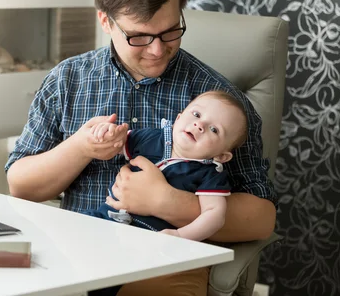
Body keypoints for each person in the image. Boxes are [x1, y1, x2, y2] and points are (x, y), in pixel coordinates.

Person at [5, 0, 276, 295]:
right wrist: (81, 147)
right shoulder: (67, 81)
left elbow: (262, 218)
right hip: (76, 252)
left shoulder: (219, 105)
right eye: (139, 36)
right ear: (106, 21)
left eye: (169, 32)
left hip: (165, 260)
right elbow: (20, 186)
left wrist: (167, 203)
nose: (157, 50)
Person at [85, 90, 248, 242]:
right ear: (178, 119)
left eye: (214, 129)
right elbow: (115, 142)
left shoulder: (209, 174)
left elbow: (214, 216)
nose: (200, 125)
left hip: (148, 239)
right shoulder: (153, 138)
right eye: (196, 114)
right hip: (104, 218)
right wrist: (107, 132)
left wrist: (180, 235)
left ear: (221, 156)